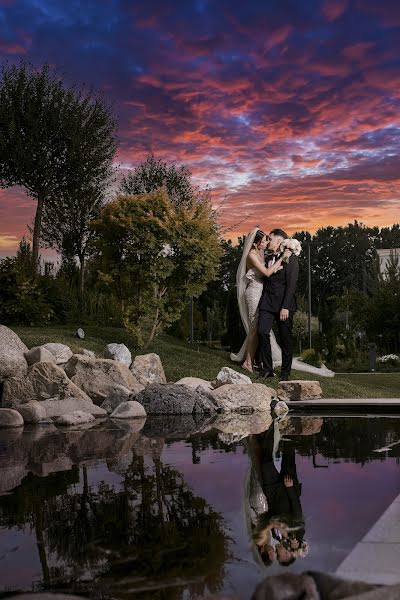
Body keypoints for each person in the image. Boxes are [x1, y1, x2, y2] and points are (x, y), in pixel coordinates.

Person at [230, 227, 292, 373]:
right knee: (254, 330)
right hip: (253, 293)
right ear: (255, 243)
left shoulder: (259, 253)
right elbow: (267, 273)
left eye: (267, 240)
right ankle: (248, 362)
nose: (266, 242)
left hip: (261, 292)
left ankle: (254, 360)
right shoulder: (252, 255)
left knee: (257, 329)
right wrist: (282, 258)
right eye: (264, 240)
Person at [257, 228, 299, 381]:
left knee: (285, 339)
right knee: (262, 331)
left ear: (279, 241)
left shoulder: (291, 258)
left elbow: (291, 285)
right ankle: (267, 369)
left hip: (284, 306)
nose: (268, 241)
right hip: (267, 303)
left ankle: (285, 373)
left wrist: (285, 307)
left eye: (270, 238)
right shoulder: (268, 258)